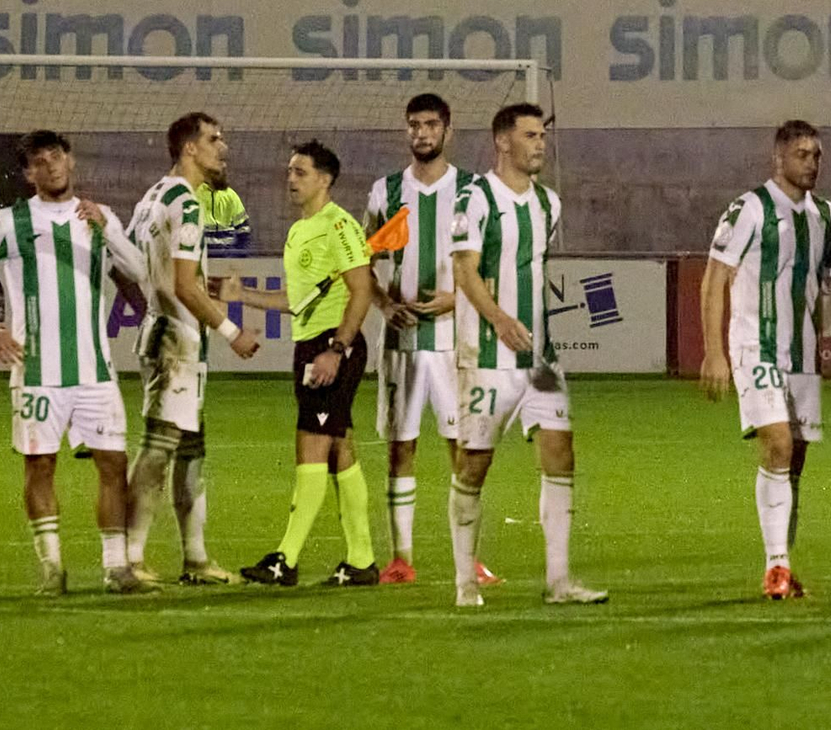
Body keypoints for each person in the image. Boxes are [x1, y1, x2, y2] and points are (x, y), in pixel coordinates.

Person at [0, 130, 151, 595]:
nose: (50, 166)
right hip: (36, 370)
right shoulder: (11, 221)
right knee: (39, 467)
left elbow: (139, 272)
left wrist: (109, 229)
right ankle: (52, 568)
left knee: (113, 465)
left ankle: (116, 568)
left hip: (95, 370)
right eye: (39, 162)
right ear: (28, 173)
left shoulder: (99, 218)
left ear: (70, 161)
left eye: (56, 157)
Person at [701, 120, 831, 600]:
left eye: (817, 154)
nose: (811, 162)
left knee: (795, 464)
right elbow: (715, 278)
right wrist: (714, 353)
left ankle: (783, 565)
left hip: (803, 356)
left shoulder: (828, 216)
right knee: (778, 446)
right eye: (802, 154)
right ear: (778, 158)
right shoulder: (750, 209)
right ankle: (775, 566)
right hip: (755, 347)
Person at [447, 103, 606, 608]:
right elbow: (465, 271)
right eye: (530, 135)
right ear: (503, 142)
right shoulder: (474, 199)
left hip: (540, 359)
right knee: (474, 466)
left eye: (542, 136)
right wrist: (498, 319)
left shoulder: (548, 204)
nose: (540, 144)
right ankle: (464, 582)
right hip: (487, 355)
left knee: (561, 454)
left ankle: (559, 581)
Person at [363, 92, 499, 586]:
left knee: (462, 449)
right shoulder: (385, 191)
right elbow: (363, 263)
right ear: (407, 131)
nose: (422, 133)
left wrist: (457, 300)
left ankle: (470, 559)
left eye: (430, 124)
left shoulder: (472, 190)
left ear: (448, 131)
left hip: (454, 342)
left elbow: (490, 267)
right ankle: (401, 556)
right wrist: (383, 304)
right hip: (400, 344)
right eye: (414, 125)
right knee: (401, 448)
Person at [228, 140, 379, 586]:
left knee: (310, 445)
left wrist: (337, 348)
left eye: (300, 172)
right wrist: (243, 298)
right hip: (310, 344)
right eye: (290, 171)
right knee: (339, 450)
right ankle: (362, 560)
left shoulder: (340, 226)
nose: (290, 179)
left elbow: (362, 289)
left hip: (331, 348)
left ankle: (286, 560)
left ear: (325, 179)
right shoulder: (300, 231)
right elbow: (298, 301)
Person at [122, 112, 260, 585]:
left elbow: (124, 263)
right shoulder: (186, 202)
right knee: (158, 449)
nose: (223, 148)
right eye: (214, 139)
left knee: (190, 449)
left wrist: (150, 301)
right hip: (177, 342)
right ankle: (129, 559)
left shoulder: (151, 198)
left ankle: (196, 560)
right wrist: (231, 332)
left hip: (166, 333)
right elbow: (184, 285)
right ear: (189, 149)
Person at [195, 179, 253, 255]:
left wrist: (239, 255)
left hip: (225, 254)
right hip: (204, 253)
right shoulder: (195, 194)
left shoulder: (230, 195)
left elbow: (244, 230)